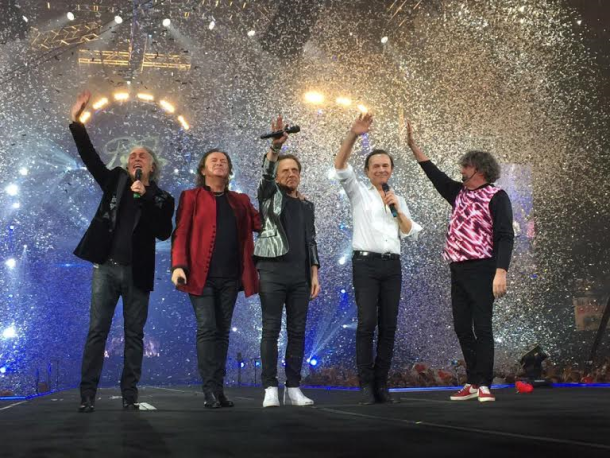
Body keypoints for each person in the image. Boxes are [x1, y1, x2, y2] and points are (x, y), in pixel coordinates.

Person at [69, 90, 175, 412]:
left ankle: (130, 395)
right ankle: (87, 395)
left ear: (152, 166)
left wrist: (144, 197)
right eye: (132, 156)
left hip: (136, 273)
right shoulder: (115, 181)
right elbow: (90, 158)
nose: (136, 159)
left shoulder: (162, 198)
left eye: (142, 156)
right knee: (97, 331)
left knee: (134, 334)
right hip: (106, 268)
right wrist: (76, 122)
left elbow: (163, 232)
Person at [406, 120, 514, 402]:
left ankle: (485, 384)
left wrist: (501, 271)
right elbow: (435, 175)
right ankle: (473, 381)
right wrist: (414, 147)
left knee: (482, 327)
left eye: (466, 166)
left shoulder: (497, 196)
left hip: (484, 268)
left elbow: (505, 236)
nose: (461, 170)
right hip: (458, 268)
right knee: (462, 328)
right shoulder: (458, 193)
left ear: (479, 170)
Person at [334, 113, 422, 405]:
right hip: (366, 264)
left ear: (391, 170)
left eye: (386, 166)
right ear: (367, 171)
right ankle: (365, 384)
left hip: (392, 265)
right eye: (376, 166)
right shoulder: (359, 192)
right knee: (367, 322)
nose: (381, 169)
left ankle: (382, 385)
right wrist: (353, 134)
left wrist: (397, 208)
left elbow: (407, 230)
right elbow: (340, 165)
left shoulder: (397, 198)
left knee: (389, 324)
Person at [171, 149, 261, 408]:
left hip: (231, 276)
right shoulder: (191, 197)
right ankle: (209, 389)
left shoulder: (240, 200)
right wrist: (178, 265)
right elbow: (181, 232)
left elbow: (260, 224)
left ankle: (219, 390)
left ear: (229, 169)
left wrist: (278, 196)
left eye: (224, 161)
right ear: (203, 170)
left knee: (222, 332)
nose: (220, 163)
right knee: (208, 328)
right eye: (214, 160)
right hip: (200, 275)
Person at [254, 115, 321, 408]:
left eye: (295, 170)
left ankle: (293, 387)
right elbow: (266, 176)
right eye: (286, 170)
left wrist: (315, 273)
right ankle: (270, 387)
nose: (291, 174)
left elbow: (311, 240)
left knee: (297, 331)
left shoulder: (307, 205)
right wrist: (276, 149)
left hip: (300, 275)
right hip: (272, 270)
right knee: (271, 329)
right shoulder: (270, 195)